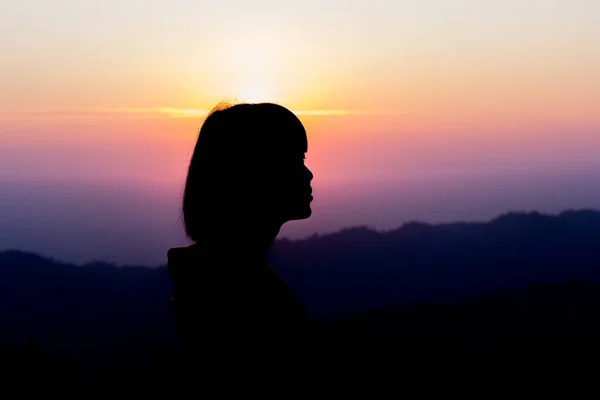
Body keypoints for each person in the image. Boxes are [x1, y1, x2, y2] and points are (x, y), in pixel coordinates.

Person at [166, 102, 314, 375]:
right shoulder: (240, 294)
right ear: (256, 173)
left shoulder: (212, 278)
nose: (309, 174)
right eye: (296, 160)